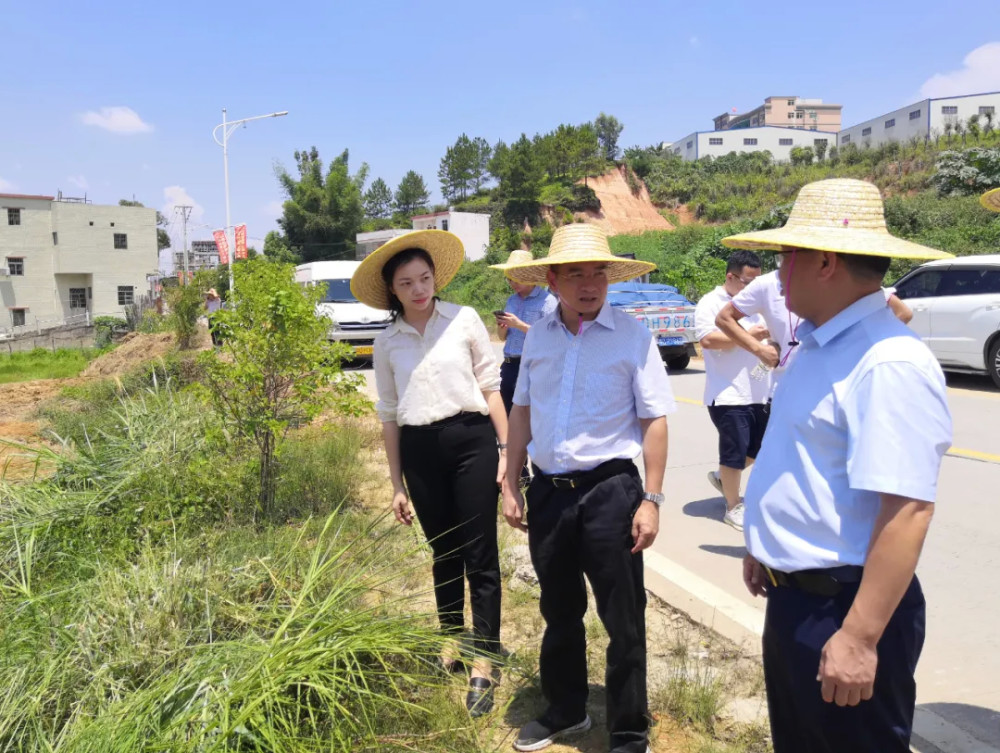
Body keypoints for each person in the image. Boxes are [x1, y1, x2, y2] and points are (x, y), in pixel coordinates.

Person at [721, 178, 954, 752]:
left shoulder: (886, 362)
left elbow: (907, 511)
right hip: (797, 598)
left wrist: (859, 636)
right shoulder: (819, 347)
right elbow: (800, 461)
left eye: (785, 258)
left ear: (824, 262)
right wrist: (765, 546)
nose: (778, 275)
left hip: (845, 608)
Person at [501, 224, 675, 753]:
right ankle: (566, 709)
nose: (588, 283)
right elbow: (522, 408)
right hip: (550, 493)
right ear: (552, 279)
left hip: (610, 492)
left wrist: (652, 498)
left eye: (597, 271)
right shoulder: (540, 336)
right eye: (574, 273)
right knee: (558, 609)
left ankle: (627, 726)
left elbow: (655, 419)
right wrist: (510, 478)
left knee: (622, 617)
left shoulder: (631, 335)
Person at [351, 230, 508, 717]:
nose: (419, 289)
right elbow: (389, 414)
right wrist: (395, 483)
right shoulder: (387, 342)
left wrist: (506, 450)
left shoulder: (463, 320)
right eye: (407, 283)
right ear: (392, 291)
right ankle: (450, 638)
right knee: (444, 552)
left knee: (480, 552)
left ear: (435, 279)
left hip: (472, 443)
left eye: (425, 278)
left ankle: (484, 658)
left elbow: (490, 386)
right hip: (419, 452)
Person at [694, 250, 771, 532]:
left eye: (757, 282)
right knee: (735, 452)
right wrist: (752, 336)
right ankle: (732, 507)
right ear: (731, 276)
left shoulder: (757, 304)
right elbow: (709, 340)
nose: (753, 288)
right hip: (728, 393)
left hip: (760, 391)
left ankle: (722, 477)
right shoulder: (711, 303)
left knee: (760, 448)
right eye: (748, 282)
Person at [489, 249, 558, 415]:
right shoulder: (512, 300)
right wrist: (502, 327)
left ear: (531, 275)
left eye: (517, 279)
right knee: (506, 413)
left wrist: (519, 325)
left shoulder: (547, 302)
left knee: (528, 416)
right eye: (509, 279)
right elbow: (502, 337)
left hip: (531, 365)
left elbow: (552, 337)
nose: (513, 284)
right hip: (508, 365)